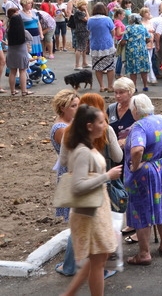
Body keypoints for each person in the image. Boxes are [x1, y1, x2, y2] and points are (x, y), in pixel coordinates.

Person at [58, 104, 123, 296]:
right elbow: (77, 186)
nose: (105, 125)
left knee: (98, 258)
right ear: (89, 126)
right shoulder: (82, 152)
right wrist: (107, 176)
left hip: (96, 208)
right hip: (89, 212)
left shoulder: (88, 146)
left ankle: (69, 294)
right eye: (101, 122)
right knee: (98, 261)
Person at [124, 94, 162, 265]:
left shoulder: (139, 126)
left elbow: (137, 149)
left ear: (136, 110)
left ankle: (144, 253)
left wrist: (135, 165)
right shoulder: (161, 119)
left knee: (141, 210)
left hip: (144, 173)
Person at [50, 89, 80, 276]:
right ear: (63, 108)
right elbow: (75, 150)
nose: (78, 109)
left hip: (74, 170)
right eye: (74, 106)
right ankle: (69, 265)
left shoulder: (69, 123)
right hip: (70, 173)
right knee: (77, 220)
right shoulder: (61, 128)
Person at [86, 3, 116, 92]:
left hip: (95, 45)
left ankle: (101, 86)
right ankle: (110, 86)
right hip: (107, 45)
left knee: (97, 67)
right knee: (110, 66)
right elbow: (113, 32)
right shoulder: (108, 19)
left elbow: (89, 30)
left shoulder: (90, 20)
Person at [120, 14, 151, 92]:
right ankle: (145, 86)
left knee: (132, 69)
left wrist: (121, 44)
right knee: (143, 68)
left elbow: (124, 41)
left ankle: (134, 87)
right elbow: (148, 39)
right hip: (142, 49)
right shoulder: (143, 27)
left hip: (132, 50)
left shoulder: (128, 28)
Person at [6, 8, 31, 95]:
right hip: (21, 51)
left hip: (11, 52)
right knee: (22, 71)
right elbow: (30, 39)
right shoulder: (23, 32)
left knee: (12, 72)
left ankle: (12, 91)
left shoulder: (9, 31)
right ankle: (24, 90)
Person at [107, 77, 137, 143]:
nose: (117, 96)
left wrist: (126, 141)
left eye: (121, 92)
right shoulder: (111, 108)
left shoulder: (136, 110)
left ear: (130, 92)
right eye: (115, 92)